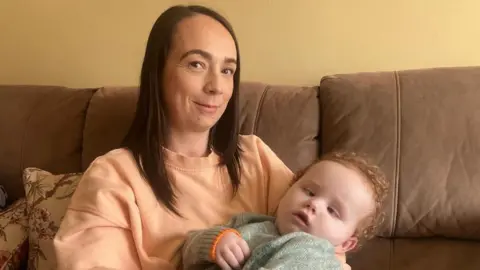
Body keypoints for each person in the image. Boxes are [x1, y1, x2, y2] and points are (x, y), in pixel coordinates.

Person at [182, 151, 389, 270]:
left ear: (345, 243)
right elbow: (187, 249)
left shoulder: (313, 254)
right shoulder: (248, 222)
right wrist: (216, 242)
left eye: (333, 211)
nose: (314, 204)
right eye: (309, 191)